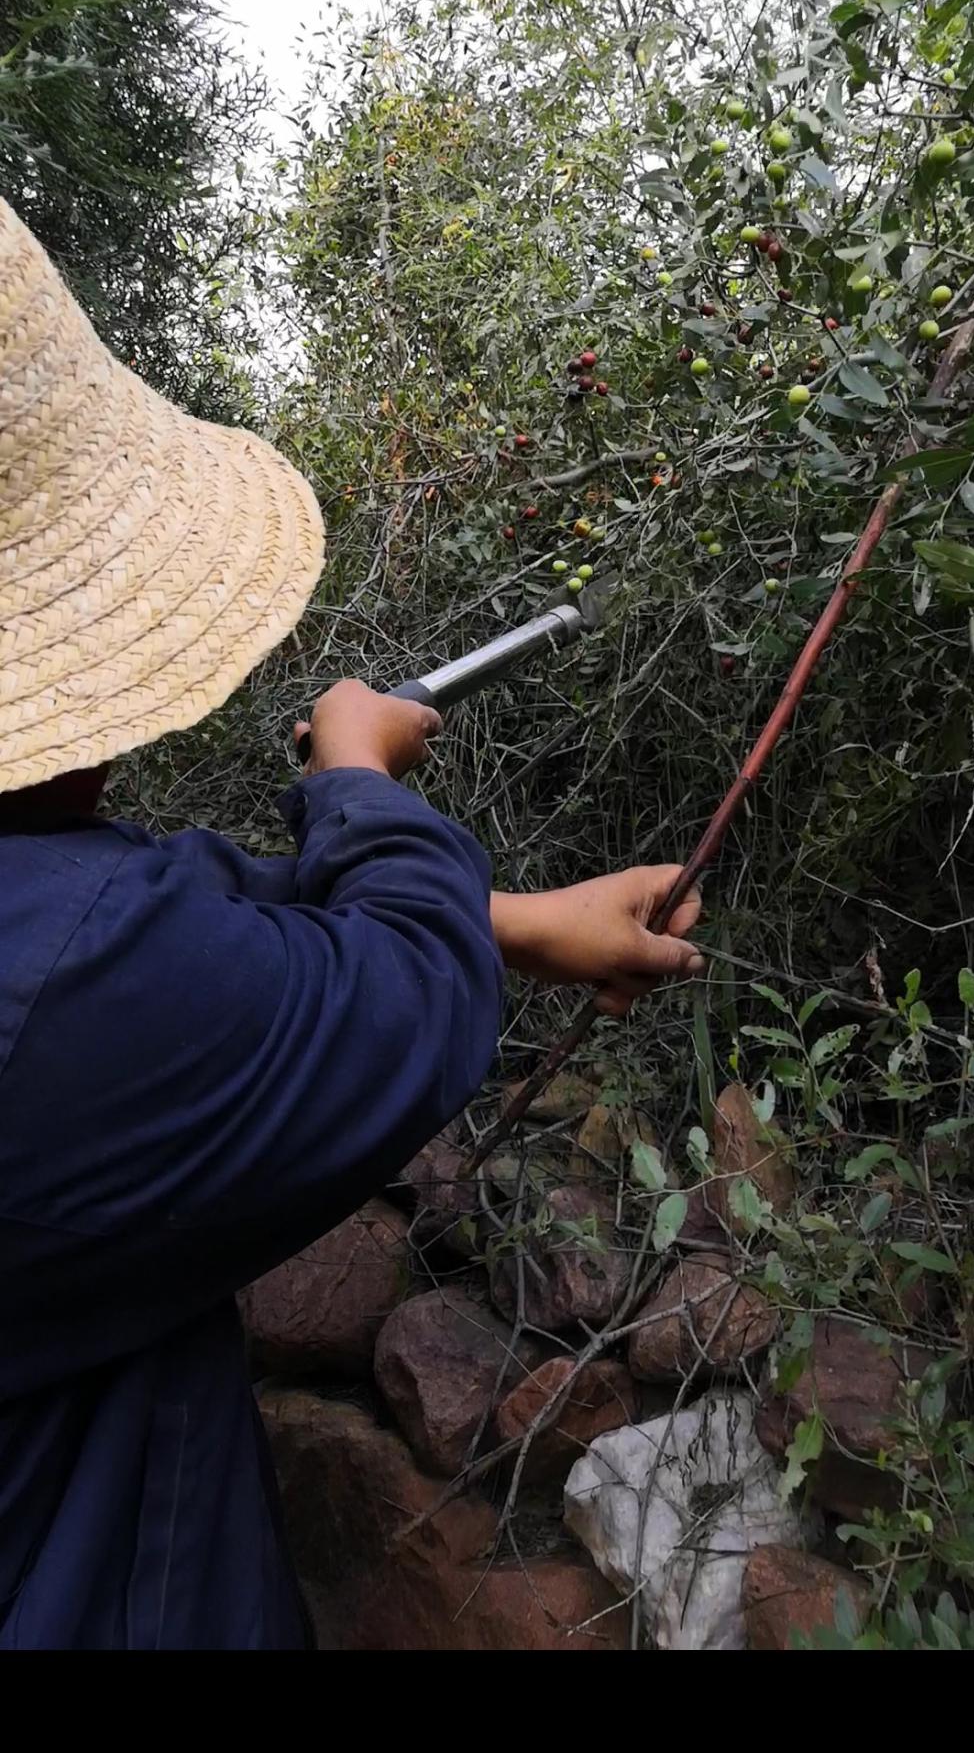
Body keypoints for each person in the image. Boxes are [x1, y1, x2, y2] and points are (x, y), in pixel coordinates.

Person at [0, 198, 702, 1650]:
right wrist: (361, 783)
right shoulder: (61, 996)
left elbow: (127, 910)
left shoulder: (56, 937)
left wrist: (515, 918)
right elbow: (392, 1005)